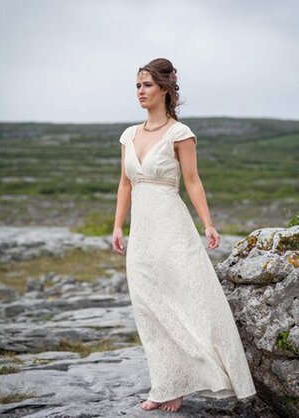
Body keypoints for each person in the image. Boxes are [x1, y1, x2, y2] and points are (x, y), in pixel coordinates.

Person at [112, 58, 257, 413]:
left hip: (172, 227)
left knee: (183, 300)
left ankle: (196, 376)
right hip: (142, 233)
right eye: (137, 86)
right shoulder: (129, 135)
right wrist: (117, 226)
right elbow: (125, 183)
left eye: (146, 85)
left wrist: (207, 223)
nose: (140, 92)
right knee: (147, 306)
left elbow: (192, 181)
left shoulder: (180, 133)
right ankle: (166, 384)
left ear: (164, 89)